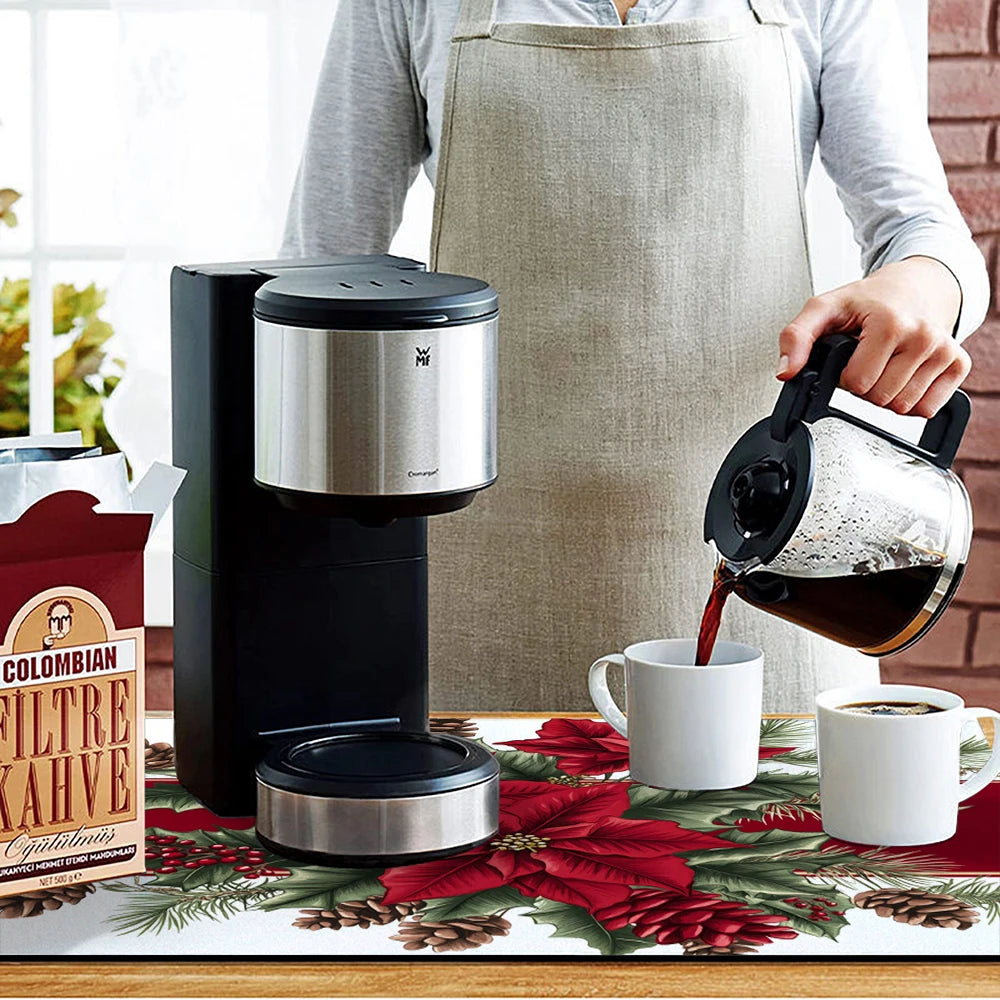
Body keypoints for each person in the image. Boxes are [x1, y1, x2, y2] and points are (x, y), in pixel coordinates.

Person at [281, 0, 989, 713]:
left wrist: (917, 286)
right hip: (478, 564)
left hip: (770, 543)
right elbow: (322, 270)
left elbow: (920, 226)